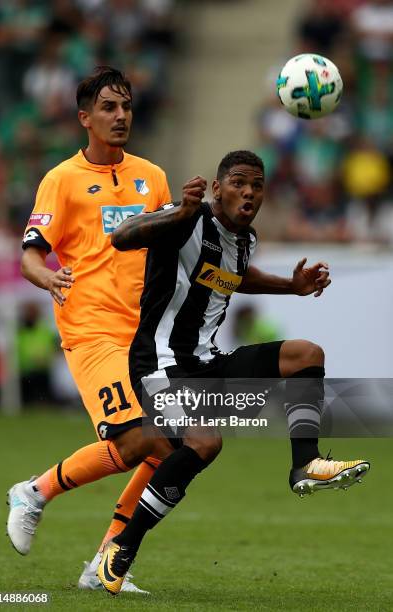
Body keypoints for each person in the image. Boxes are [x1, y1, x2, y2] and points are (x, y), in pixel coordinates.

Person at [98, 150, 370, 595]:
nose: (249, 192)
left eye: (257, 185)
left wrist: (291, 287)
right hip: (158, 363)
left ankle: (305, 464)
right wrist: (181, 211)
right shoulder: (186, 220)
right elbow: (123, 238)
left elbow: (236, 276)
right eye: (240, 182)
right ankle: (121, 546)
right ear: (217, 189)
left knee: (307, 354)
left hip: (206, 364)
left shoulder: (246, 240)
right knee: (205, 441)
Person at [7, 66, 176, 593]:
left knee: (171, 450)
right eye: (108, 107)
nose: (120, 115)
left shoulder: (153, 176)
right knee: (136, 438)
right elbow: (31, 254)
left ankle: (104, 562)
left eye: (125, 106)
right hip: (91, 331)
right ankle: (35, 492)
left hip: (143, 338)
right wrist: (48, 278)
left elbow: (171, 247)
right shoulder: (62, 179)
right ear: (85, 118)